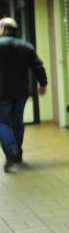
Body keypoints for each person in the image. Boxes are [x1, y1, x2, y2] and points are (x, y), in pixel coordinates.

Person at [0, 17, 47, 173]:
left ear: (3, 28)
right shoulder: (26, 46)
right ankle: (17, 155)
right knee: (17, 122)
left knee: (3, 122)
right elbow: (38, 66)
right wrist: (43, 83)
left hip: (1, 93)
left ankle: (12, 152)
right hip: (21, 92)